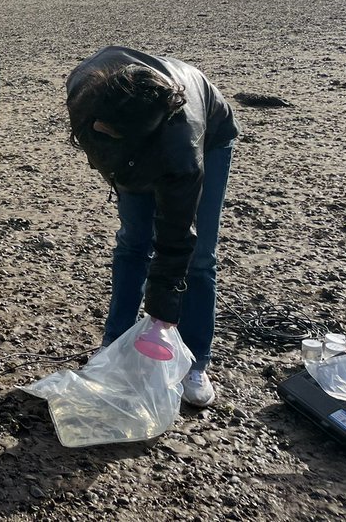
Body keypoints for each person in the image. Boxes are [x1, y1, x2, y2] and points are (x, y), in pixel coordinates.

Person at [66, 47, 238, 407]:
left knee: (199, 256)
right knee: (133, 242)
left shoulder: (182, 153)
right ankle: (114, 344)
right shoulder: (85, 89)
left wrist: (162, 316)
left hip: (210, 139)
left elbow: (175, 239)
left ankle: (193, 361)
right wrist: (124, 169)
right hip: (130, 143)